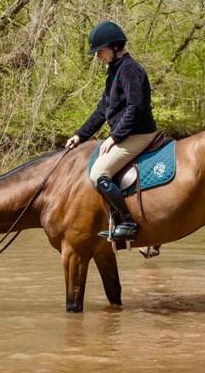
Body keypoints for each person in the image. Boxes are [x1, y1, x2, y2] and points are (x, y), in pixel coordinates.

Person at [64, 21, 157, 241]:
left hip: (138, 135)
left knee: (98, 174)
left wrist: (115, 137)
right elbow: (103, 109)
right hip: (126, 134)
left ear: (115, 47)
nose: (98, 56)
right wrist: (80, 135)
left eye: (100, 51)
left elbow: (135, 109)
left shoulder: (130, 69)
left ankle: (128, 222)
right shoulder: (115, 71)